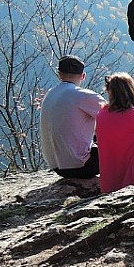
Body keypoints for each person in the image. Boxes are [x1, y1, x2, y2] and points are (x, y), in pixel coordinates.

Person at [40, 55, 105, 183]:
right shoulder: (84, 95)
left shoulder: (50, 95)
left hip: (57, 167)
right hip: (82, 167)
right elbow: (118, 118)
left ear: (59, 74)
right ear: (83, 76)